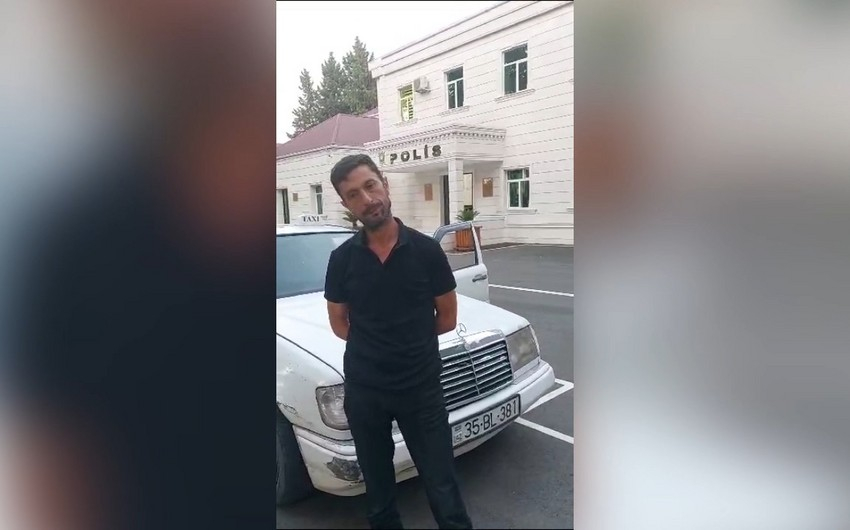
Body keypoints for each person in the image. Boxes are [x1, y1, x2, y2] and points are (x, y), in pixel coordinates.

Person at [324, 154, 473, 530]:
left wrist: (407, 343)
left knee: (443, 488)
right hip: (365, 392)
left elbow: (447, 318)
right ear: (346, 204)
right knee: (378, 495)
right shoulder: (342, 259)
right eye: (354, 194)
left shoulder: (426, 251)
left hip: (421, 390)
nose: (367, 199)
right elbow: (339, 323)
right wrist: (377, 347)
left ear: (384, 184)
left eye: (370, 186)